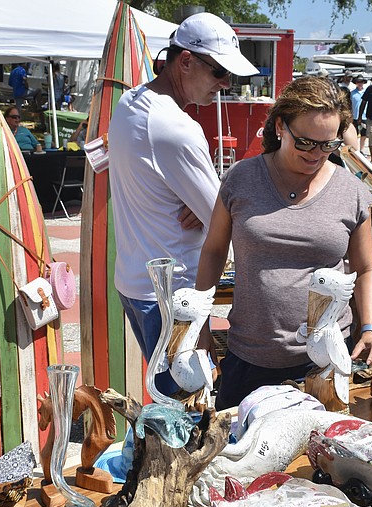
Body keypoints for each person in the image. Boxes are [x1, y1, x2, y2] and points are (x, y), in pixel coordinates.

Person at [195, 76, 372, 410]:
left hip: (325, 362)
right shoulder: (242, 178)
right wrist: (201, 325)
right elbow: (213, 251)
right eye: (306, 142)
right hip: (249, 357)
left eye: (329, 145)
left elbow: (366, 268)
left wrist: (369, 327)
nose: (317, 154)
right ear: (281, 126)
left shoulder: (351, 191)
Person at [107, 12, 258, 395]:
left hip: (137, 282)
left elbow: (212, 208)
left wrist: (205, 203)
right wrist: (211, 208)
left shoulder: (131, 101)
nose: (225, 85)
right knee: (188, 414)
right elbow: (228, 218)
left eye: (230, 76)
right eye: (219, 73)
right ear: (186, 61)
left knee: (170, 401)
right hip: (174, 296)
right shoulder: (176, 127)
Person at [349, 73, 368, 152]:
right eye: (358, 82)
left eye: (361, 82)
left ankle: (362, 149)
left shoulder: (366, 93)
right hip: (355, 116)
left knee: (364, 134)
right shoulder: (352, 93)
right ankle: (355, 149)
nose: (360, 83)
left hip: (364, 116)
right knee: (355, 133)